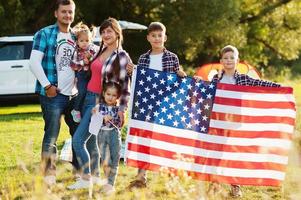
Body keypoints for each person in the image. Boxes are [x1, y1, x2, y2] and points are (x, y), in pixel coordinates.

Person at [67, 17, 131, 190]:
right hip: (86, 97)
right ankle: (94, 177)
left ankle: (87, 178)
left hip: (99, 103)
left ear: (117, 32)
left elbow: (125, 86)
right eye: (103, 32)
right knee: (90, 142)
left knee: (78, 140)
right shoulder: (98, 50)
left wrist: (122, 109)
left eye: (109, 31)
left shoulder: (121, 56)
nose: (105, 34)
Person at [209, 45, 280, 198]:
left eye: (231, 58)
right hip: (219, 121)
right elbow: (206, 92)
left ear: (237, 60)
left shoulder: (243, 79)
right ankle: (215, 183)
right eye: (225, 58)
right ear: (221, 61)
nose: (228, 61)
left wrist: (278, 87)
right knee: (218, 153)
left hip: (235, 122)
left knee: (233, 154)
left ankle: (235, 185)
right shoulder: (216, 78)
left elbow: (260, 83)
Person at [127, 21, 186, 189]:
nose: (157, 38)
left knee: (166, 141)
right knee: (145, 140)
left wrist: (181, 75)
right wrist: (134, 71)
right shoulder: (144, 58)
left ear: (165, 37)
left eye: (160, 35)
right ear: (148, 38)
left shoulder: (172, 58)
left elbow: (176, 82)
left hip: (165, 106)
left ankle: (171, 178)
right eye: (153, 35)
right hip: (147, 106)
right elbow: (140, 82)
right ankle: (141, 177)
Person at [29, 0, 79, 186]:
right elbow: (33, 63)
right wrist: (48, 86)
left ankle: (80, 172)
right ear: (56, 14)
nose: (68, 15)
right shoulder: (45, 34)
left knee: (78, 134)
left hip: (74, 96)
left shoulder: (77, 36)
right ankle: (49, 175)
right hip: (53, 94)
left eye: (70, 12)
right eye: (64, 12)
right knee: (51, 134)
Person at [88, 81, 122, 195]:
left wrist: (115, 117)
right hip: (102, 135)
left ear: (117, 97)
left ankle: (110, 185)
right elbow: (94, 120)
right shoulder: (99, 107)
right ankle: (108, 182)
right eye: (108, 94)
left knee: (114, 160)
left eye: (113, 95)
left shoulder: (118, 109)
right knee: (106, 161)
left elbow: (120, 123)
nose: (110, 97)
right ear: (103, 93)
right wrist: (99, 115)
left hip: (114, 135)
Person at [70, 22, 99, 123]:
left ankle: (87, 110)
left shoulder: (93, 49)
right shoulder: (76, 51)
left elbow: (98, 59)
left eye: (87, 40)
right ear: (77, 41)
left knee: (90, 94)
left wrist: (91, 59)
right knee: (82, 92)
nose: (84, 43)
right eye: (81, 41)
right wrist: (83, 62)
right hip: (82, 75)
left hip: (91, 75)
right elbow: (73, 65)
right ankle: (76, 110)